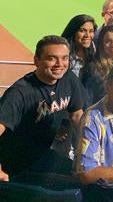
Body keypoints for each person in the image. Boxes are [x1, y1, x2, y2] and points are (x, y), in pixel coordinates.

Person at [0, 36, 85, 180]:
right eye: (52, 58)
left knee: (79, 178)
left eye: (64, 58)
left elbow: (77, 116)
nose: (60, 64)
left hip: (42, 156)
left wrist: (87, 152)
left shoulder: (68, 79)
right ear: (36, 61)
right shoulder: (20, 93)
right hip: (14, 164)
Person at [61, 14, 97, 78]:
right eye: (82, 30)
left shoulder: (93, 48)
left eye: (91, 31)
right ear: (73, 32)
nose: (87, 35)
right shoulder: (62, 51)